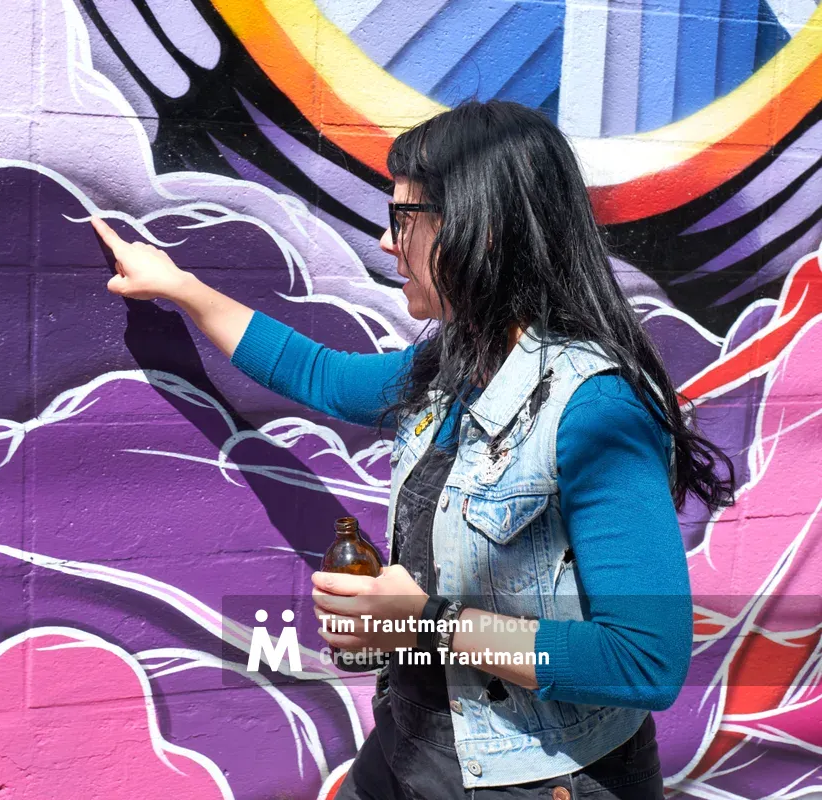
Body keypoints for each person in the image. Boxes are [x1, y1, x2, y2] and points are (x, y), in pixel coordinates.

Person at [90, 99, 736, 799]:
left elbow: (646, 660)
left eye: (404, 220)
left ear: (480, 233)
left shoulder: (593, 407)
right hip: (416, 744)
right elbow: (320, 374)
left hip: (537, 777)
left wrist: (425, 622)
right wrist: (179, 288)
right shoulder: (451, 369)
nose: (386, 241)